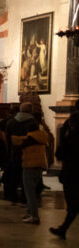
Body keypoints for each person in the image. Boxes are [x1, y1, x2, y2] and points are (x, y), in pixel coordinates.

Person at [12, 118, 49, 225]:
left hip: (29, 166)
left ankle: (34, 216)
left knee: (30, 193)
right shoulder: (42, 136)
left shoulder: (30, 139)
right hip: (40, 165)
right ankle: (30, 212)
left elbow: (17, 141)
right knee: (32, 191)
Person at [51, 100, 79, 239]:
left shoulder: (71, 124)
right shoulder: (71, 124)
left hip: (71, 168)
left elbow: (64, 147)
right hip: (72, 168)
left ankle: (63, 228)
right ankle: (63, 228)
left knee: (73, 202)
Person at [4, 102, 35, 204]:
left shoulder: (11, 122)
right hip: (28, 153)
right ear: (31, 110)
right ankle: (24, 198)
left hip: (14, 152)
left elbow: (8, 139)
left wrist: (9, 150)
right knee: (26, 177)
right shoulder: (33, 122)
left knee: (14, 174)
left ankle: (12, 196)